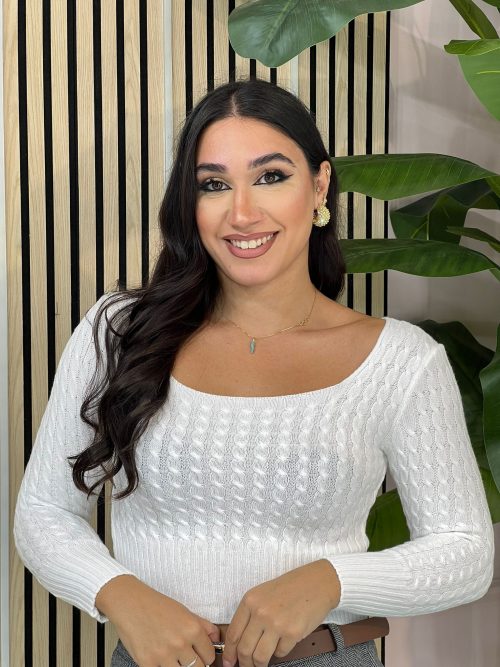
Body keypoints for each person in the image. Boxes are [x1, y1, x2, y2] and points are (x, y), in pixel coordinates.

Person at [14, 79, 494, 667]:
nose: (241, 213)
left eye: (271, 176)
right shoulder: (120, 333)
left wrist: (329, 580)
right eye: (214, 185)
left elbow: (465, 553)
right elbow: (44, 513)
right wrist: (118, 594)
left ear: (319, 185)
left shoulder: (401, 361)